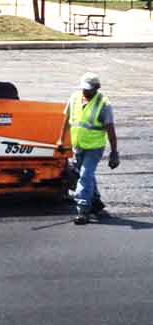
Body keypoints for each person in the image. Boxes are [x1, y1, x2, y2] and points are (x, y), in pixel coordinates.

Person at [62, 72, 119, 225]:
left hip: (94, 148)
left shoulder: (104, 104)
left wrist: (114, 152)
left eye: (88, 89)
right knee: (85, 175)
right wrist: (61, 140)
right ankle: (96, 202)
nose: (85, 92)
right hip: (78, 146)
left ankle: (82, 210)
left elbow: (110, 130)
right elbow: (66, 120)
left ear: (97, 88)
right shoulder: (74, 98)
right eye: (83, 88)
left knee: (85, 176)